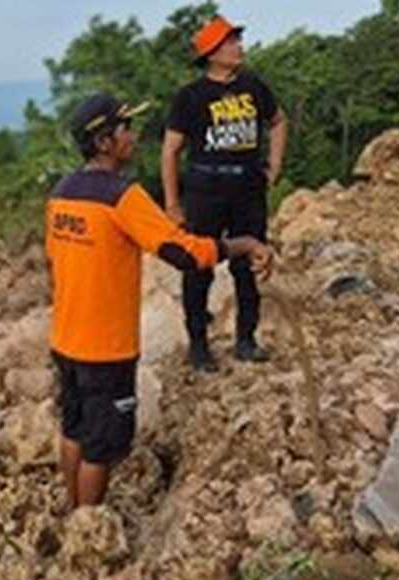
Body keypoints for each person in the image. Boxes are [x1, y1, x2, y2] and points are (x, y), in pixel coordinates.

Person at [46, 92, 275, 509]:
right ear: (103, 143)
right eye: (124, 130)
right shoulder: (123, 196)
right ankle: (86, 528)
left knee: (74, 428)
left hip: (65, 338)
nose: (133, 137)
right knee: (102, 446)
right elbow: (183, 253)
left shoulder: (62, 192)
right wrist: (240, 244)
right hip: (105, 347)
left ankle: (71, 509)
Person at [162, 15, 288, 372]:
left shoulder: (253, 86)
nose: (239, 47)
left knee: (249, 265)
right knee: (198, 266)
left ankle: (246, 339)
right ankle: (199, 346)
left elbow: (278, 120)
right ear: (212, 53)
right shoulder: (190, 97)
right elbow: (170, 150)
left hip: (248, 187)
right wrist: (172, 204)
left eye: (237, 40)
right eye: (231, 42)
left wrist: (274, 165)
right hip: (205, 190)